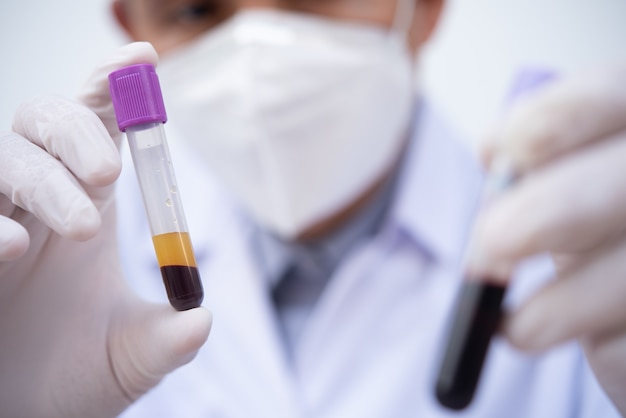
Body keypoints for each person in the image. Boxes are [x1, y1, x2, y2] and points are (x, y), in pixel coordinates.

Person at [0, 0, 625, 416]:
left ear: (426, 8)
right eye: (195, 8)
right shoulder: (54, 270)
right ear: (129, 21)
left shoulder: (589, 266)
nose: (257, 55)